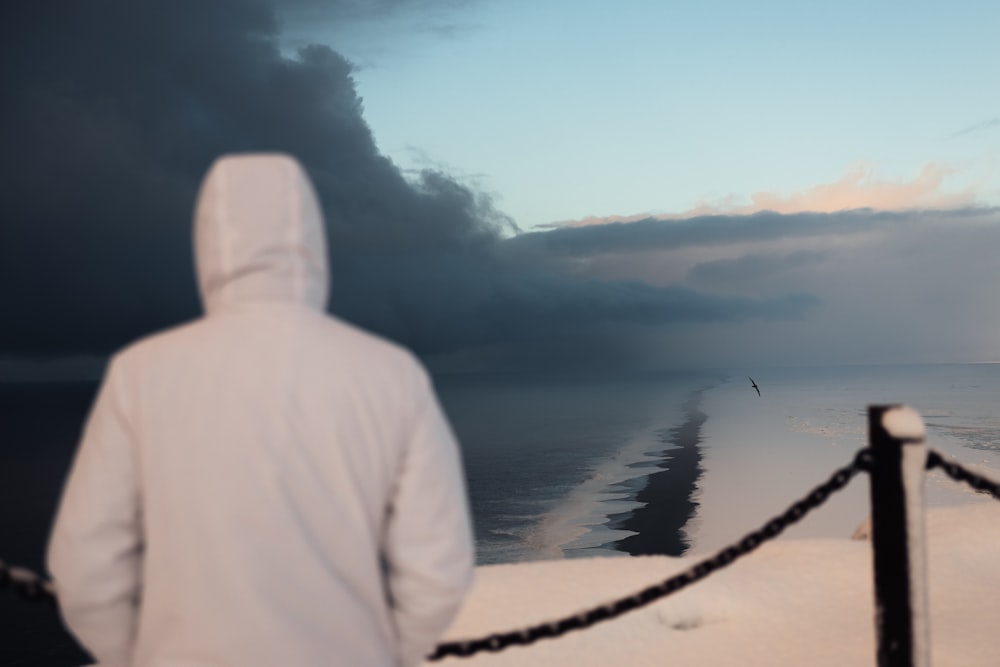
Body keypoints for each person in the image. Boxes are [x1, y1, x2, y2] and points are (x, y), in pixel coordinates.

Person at [47, 153, 475, 666]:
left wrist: (135, 655)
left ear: (208, 244)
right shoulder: (392, 372)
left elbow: (86, 565)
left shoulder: (139, 372)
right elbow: (439, 564)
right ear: (313, 242)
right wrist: (390, 653)